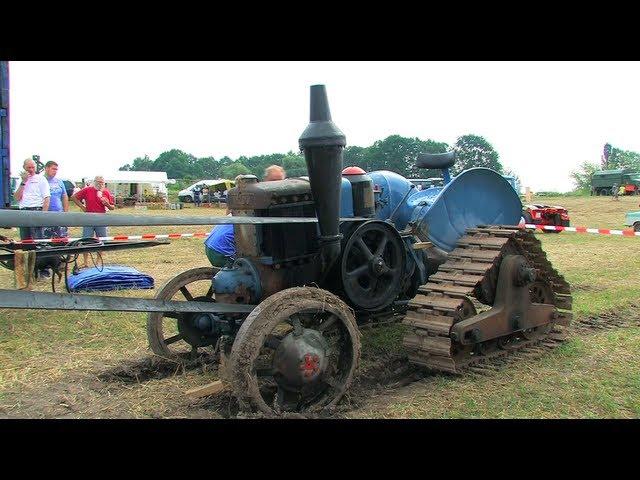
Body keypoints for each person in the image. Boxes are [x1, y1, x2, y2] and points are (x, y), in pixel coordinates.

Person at [204, 170, 285, 267]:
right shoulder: (252, 215)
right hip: (221, 251)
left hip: (210, 246)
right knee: (251, 272)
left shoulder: (238, 212)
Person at [71, 176, 115, 268]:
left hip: (101, 219)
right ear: (94, 182)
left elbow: (112, 207)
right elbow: (74, 197)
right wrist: (83, 207)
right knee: (86, 241)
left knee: (102, 241)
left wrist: (106, 204)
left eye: (102, 182)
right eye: (99, 182)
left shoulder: (105, 192)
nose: (100, 184)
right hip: (89, 218)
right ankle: (85, 262)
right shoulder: (87, 190)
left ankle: (98, 262)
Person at [13, 158, 50, 241]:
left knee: (38, 240)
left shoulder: (41, 179)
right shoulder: (19, 180)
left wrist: (44, 214)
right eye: (28, 168)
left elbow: (47, 198)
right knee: (25, 240)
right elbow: (16, 198)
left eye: (33, 167)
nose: (31, 170)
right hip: (23, 210)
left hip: (37, 209)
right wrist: (23, 182)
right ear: (24, 167)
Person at [42, 161, 70, 239]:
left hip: (59, 214)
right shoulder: (41, 180)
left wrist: (66, 212)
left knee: (62, 239)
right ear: (46, 168)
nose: (55, 171)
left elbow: (64, 196)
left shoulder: (59, 181)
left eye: (56, 169)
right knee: (47, 240)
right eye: (53, 169)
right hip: (46, 215)